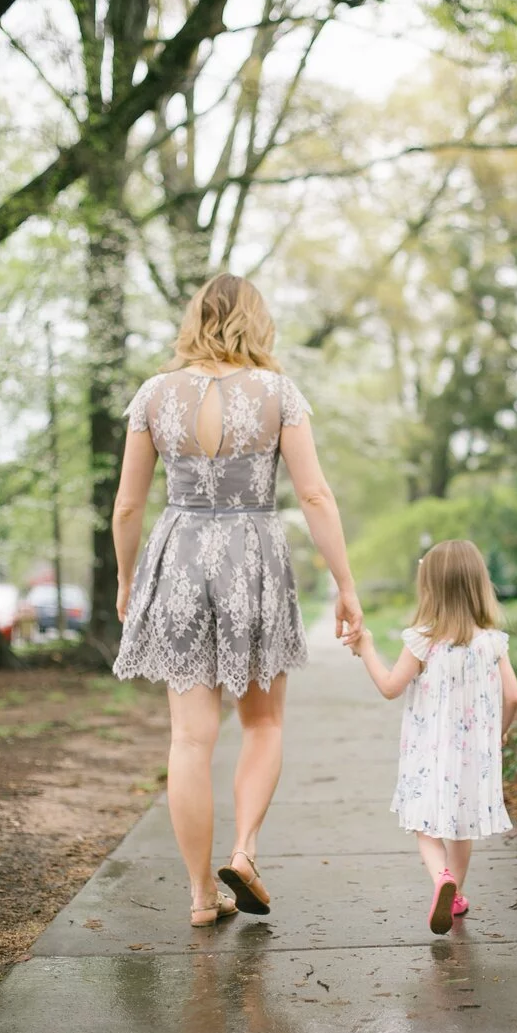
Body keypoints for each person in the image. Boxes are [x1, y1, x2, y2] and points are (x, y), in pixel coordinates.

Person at [111, 273, 363, 926]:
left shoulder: (153, 395)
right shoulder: (279, 393)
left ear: (196, 318)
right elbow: (314, 496)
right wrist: (345, 583)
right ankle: (245, 852)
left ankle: (200, 896)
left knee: (190, 739)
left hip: (179, 560)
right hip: (253, 559)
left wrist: (126, 578)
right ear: (257, 320)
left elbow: (129, 504)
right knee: (263, 723)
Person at [347, 539, 517, 934]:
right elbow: (514, 696)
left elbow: (391, 687)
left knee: (425, 826)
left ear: (430, 588)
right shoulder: (493, 641)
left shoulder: (423, 638)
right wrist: (499, 735)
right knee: (462, 825)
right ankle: (455, 893)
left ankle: (442, 878)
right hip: (474, 754)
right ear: (479, 584)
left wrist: (367, 648)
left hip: (428, 752)